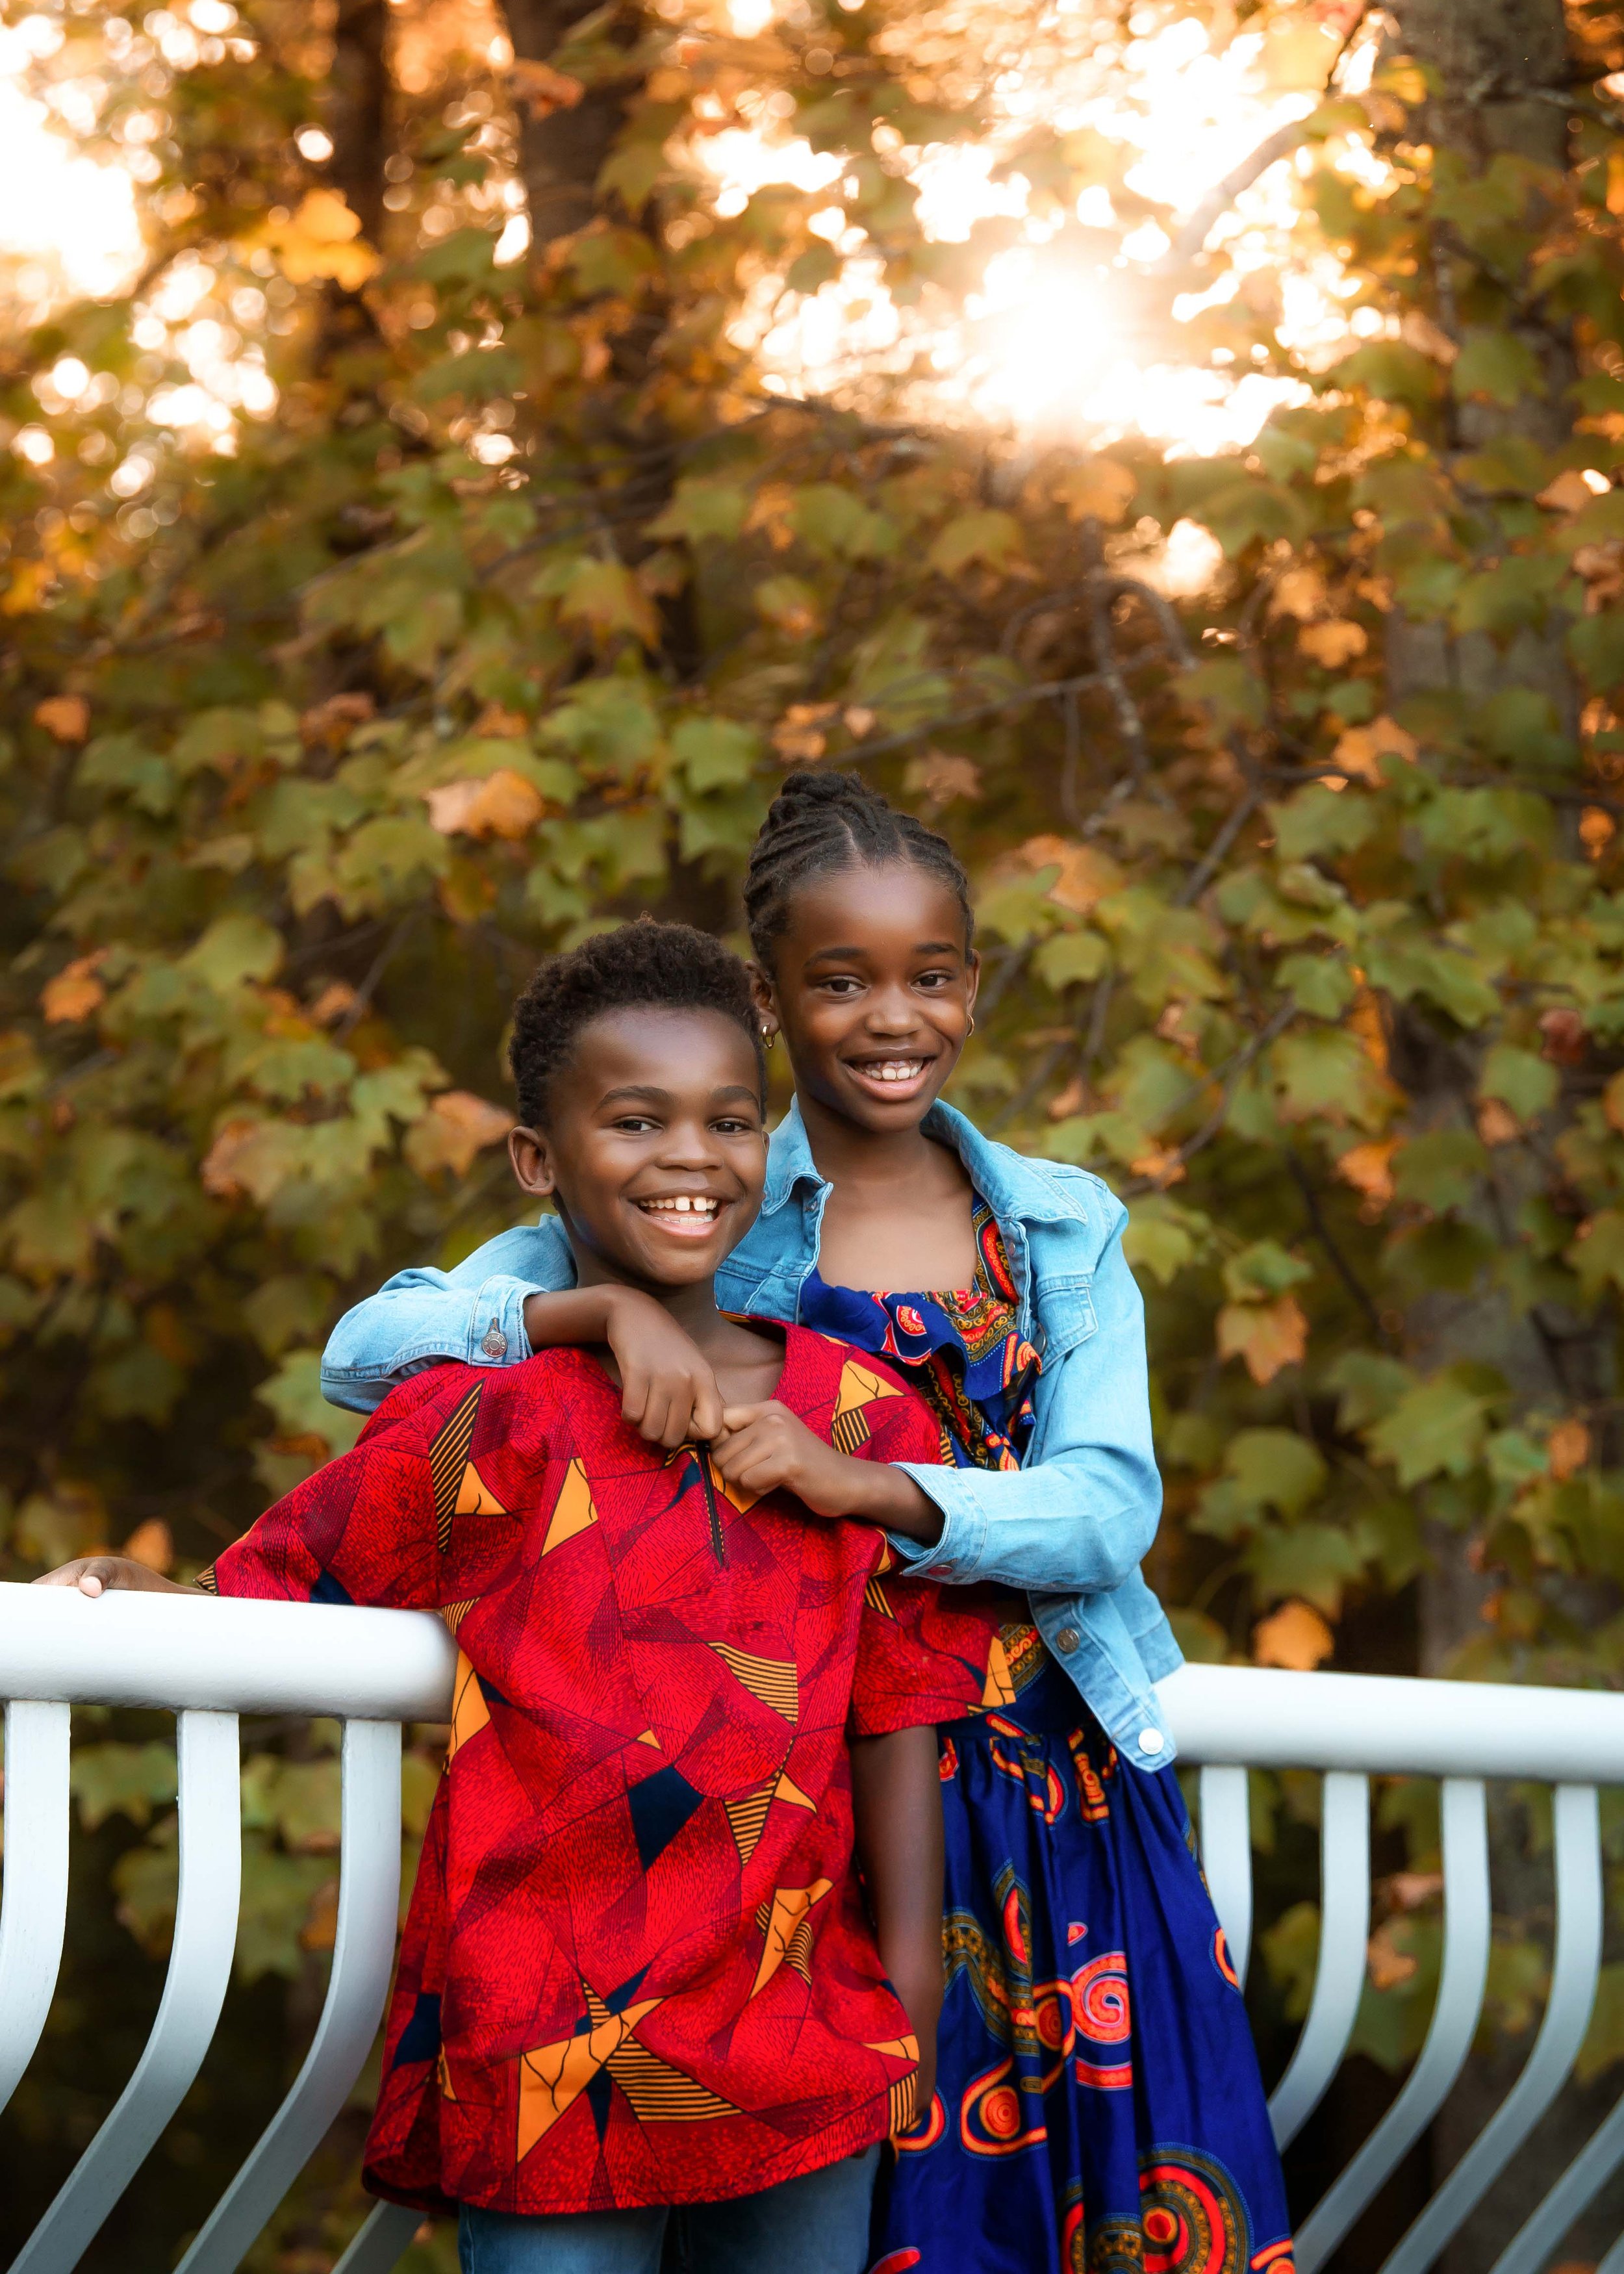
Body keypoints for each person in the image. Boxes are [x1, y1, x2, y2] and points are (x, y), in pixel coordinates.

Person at [320, 773, 1293, 2274]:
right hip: (781, 1783)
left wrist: (873, 1489)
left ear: (974, 985)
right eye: (839, 981)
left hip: (1038, 1783)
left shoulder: (1054, 1220)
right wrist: (596, 1312)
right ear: (770, 1000)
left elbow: (1107, 1508)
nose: (890, 1017)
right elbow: (380, 1346)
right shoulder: (696, 1168)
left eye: (930, 976)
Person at [40, 921, 1008, 2274]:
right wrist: (151, 1599)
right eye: (634, 1118)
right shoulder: (497, 1412)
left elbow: (895, 1704)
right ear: (538, 1161)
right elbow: (297, 1575)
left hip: (799, 2029)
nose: (689, 1155)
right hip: (552, 2036)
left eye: (728, 1120)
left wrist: (908, 1978)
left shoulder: (864, 1416)